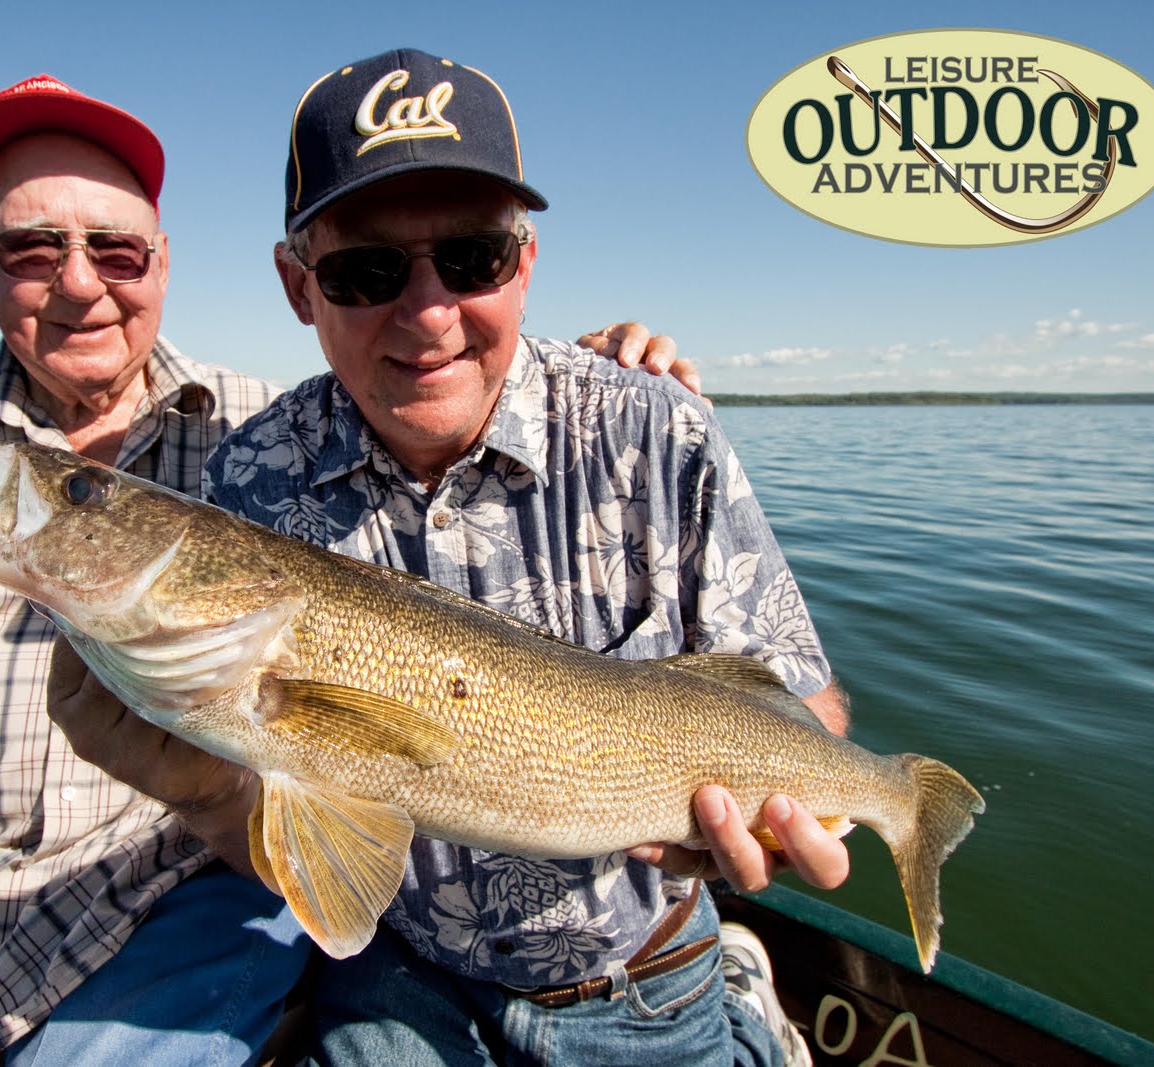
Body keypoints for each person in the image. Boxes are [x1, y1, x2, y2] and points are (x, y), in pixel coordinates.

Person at [0, 73, 681, 1066]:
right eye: (33, 250)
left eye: (115, 253)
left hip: (158, 904)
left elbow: (431, 370)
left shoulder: (271, 433)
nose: (80, 286)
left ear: (160, 263)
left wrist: (590, 371)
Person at [194, 48, 852, 1065]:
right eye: (366, 271)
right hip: (399, 963)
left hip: (633, 972)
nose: (427, 313)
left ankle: (741, 1001)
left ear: (527, 262)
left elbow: (799, 696)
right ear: (296, 284)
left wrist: (781, 811)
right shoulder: (248, 481)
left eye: (472, 260)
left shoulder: (655, 430)